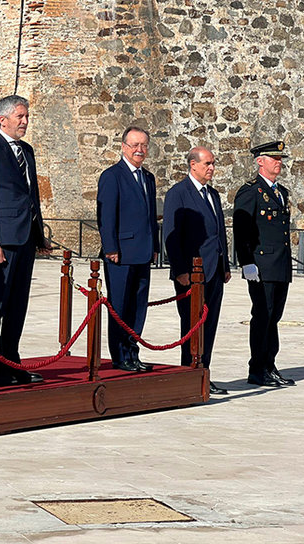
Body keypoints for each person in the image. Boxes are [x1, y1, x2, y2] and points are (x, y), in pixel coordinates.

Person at [0, 95, 51, 386]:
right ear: (3, 119)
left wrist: (39, 235)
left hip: (26, 238)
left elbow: (32, 196)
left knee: (19, 303)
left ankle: (12, 360)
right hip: (3, 241)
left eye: (27, 116)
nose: (25, 121)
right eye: (20, 116)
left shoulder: (27, 151)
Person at [162, 147, 230, 395]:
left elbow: (219, 232)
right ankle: (188, 372)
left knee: (209, 324)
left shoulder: (212, 194)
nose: (211, 168)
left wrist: (225, 264)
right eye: (207, 164)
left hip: (213, 272)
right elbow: (171, 235)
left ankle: (203, 372)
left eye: (213, 163)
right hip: (191, 274)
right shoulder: (178, 194)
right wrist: (180, 270)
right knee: (191, 325)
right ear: (193, 165)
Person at [233, 140, 297, 387]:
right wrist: (246, 262)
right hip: (261, 266)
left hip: (279, 265)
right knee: (262, 315)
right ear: (260, 161)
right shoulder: (250, 191)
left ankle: (270, 364)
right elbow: (242, 230)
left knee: (275, 317)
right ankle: (257, 369)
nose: (278, 163)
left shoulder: (281, 192)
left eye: (280, 159)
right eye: (274, 159)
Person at [96, 126, 159, 372]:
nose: (139, 150)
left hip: (142, 252)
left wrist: (154, 245)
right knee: (120, 306)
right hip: (120, 253)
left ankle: (133, 352)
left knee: (138, 306)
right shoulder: (113, 176)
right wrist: (110, 247)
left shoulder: (148, 178)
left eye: (143, 145)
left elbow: (150, 216)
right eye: (134, 145)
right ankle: (120, 355)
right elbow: (106, 215)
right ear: (123, 147)